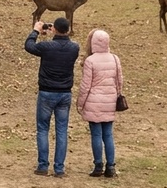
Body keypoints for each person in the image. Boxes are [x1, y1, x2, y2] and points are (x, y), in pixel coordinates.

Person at [25, 16, 80, 177]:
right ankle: (59, 168)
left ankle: (43, 165)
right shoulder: (74, 48)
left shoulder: (46, 47)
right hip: (64, 93)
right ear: (68, 30)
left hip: (47, 92)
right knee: (62, 130)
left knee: (43, 129)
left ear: (54, 29)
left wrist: (36, 30)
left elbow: (29, 46)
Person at [78, 28, 124, 178]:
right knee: (108, 134)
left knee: (96, 134)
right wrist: (117, 95)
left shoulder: (90, 61)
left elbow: (85, 86)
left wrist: (80, 103)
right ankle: (111, 166)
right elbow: (119, 81)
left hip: (93, 101)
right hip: (110, 100)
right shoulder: (115, 59)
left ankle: (98, 165)